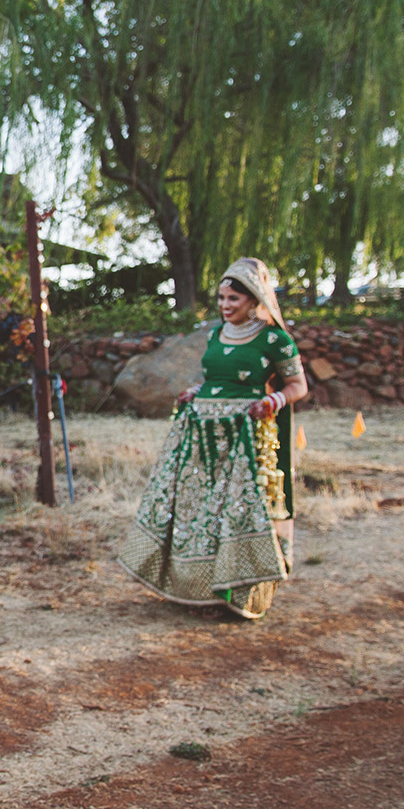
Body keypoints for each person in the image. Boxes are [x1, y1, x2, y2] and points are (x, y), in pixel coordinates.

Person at [118, 258, 309, 620]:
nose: (224, 306)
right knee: (200, 511)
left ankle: (237, 592)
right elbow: (217, 380)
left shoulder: (275, 339)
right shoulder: (215, 335)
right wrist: (198, 391)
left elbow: (298, 386)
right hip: (203, 441)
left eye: (233, 299)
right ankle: (194, 588)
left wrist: (273, 400)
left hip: (246, 441)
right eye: (221, 298)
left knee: (236, 511)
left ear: (254, 301)